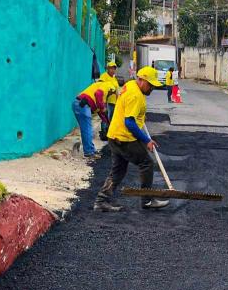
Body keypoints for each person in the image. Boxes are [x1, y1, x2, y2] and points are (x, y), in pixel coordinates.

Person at [94, 66, 170, 212]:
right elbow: (129, 123)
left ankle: (101, 201)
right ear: (141, 80)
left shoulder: (130, 85)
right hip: (124, 138)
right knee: (146, 163)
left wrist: (140, 118)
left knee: (118, 170)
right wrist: (146, 140)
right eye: (150, 85)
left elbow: (130, 114)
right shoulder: (135, 95)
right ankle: (147, 200)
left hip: (114, 136)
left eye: (154, 86)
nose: (152, 89)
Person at [73, 80, 117, 158]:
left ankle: (91, 149)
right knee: (87, 129)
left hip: (79, 104)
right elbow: (98, 94)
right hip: (82, 104)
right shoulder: (109, 86)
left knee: (87, 129)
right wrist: (102, 108)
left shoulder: (103, 94)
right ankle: (89, 152)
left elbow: (101, 112)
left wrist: (108, 122)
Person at [98, 61, 120, 140]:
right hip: (107, 101)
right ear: (107, 69)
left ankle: (109, 132)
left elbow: (117, 89)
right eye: (111, 68)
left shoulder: (114, 78)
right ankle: (104, 132)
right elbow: (100, 86)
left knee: (111, 118)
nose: (112, 70)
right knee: (106, 116)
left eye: (114, 68)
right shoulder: (104, 76)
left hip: (114, 101)